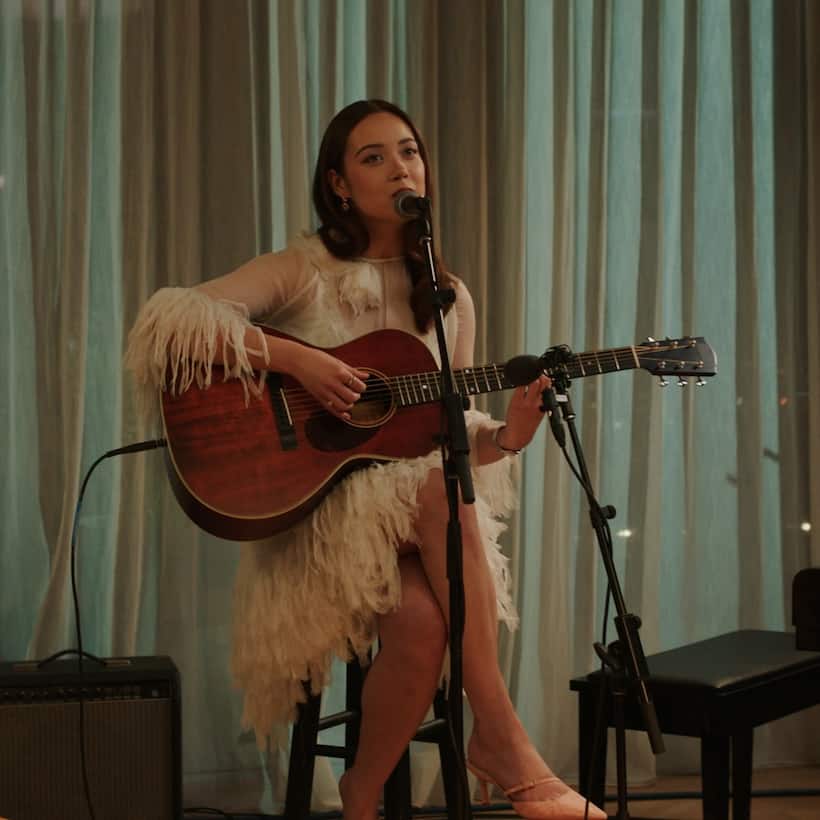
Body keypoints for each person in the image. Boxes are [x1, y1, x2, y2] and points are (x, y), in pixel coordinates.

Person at [125, 99, 606, 820]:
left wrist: (507, 436)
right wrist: (299, 362)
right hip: (319, 525)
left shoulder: (449, 298)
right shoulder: (303, 269)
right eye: (373, 157)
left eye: (408, 152)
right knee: (443, 498)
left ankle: (358, 799)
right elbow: (175, 317)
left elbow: (446, 434)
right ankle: (503, 737)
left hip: (422, 522)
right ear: (340, 185)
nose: (398, 167)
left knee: (419, 619)